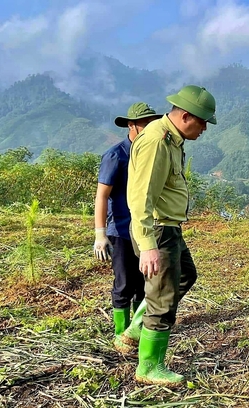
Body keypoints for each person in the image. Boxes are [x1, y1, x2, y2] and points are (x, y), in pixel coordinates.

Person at [121, 85, 217, 387]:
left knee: (186, 274)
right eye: (202, 122)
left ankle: (136, 328)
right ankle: (149, 367)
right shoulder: (157, 142)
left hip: (168, 229)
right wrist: (148, 246)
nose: (204, 129)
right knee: (162, 300)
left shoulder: (172, 139)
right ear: (186, 116)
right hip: (158, 232)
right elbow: (140, 198)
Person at [93, 102, 162, 352]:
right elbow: (102, 195)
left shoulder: (149, 152)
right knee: (123, 284)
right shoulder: (116, 155)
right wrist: (100, 234)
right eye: (144, 124)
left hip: (145, 231)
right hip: (121, 231)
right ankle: (120, 334)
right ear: (131, 125)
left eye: (151, 124)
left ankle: (137, 330)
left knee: (145, 285)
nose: (148, 129)